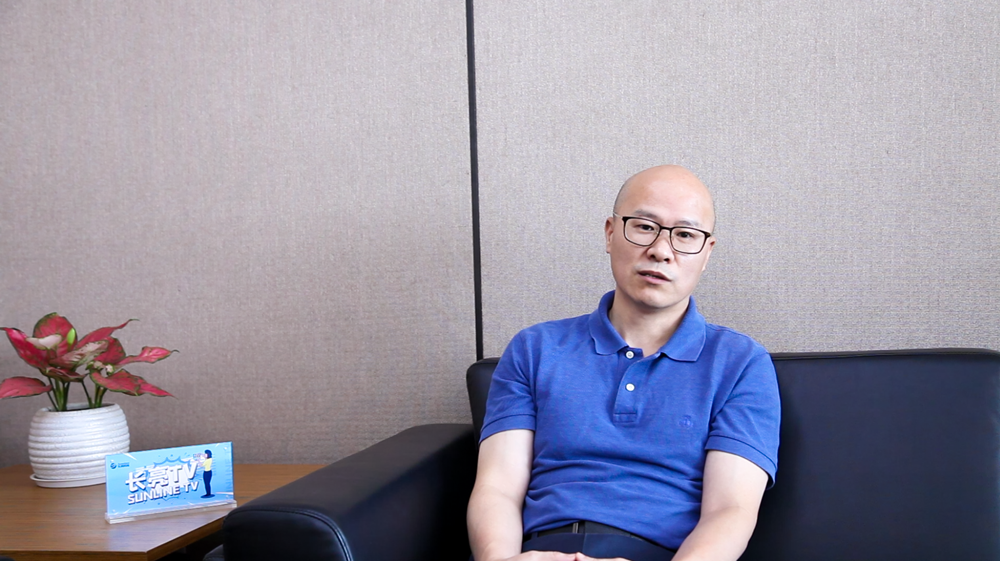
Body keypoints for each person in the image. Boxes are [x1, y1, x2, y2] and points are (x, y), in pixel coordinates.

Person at [467, 165, 780, 561]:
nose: (661, 250)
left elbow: (730, 511)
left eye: (685, 235)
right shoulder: (535, 348)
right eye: (645, 227)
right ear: (610, 233)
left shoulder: (741, 363)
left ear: (707, 253)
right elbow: (496, 488)